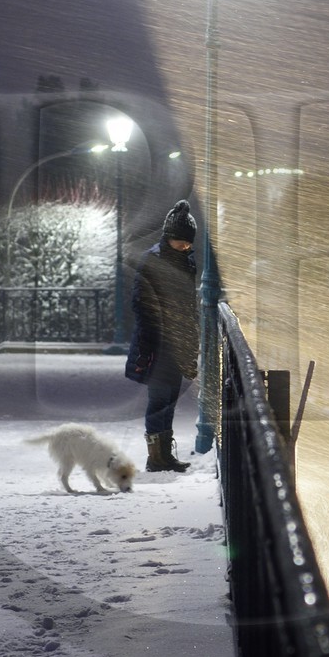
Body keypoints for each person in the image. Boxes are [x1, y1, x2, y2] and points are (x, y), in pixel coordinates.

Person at [124, 200, 201, 472]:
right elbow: (141, 304)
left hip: (177, 344)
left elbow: (189, 305)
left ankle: (163, 455)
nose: (185, 247)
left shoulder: (187, 263)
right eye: (180, 242)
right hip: (158, 344)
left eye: (188, 243)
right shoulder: (152, 261)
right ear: (169, 237)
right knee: (159, 399)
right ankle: (156, 457)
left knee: (168, 400)